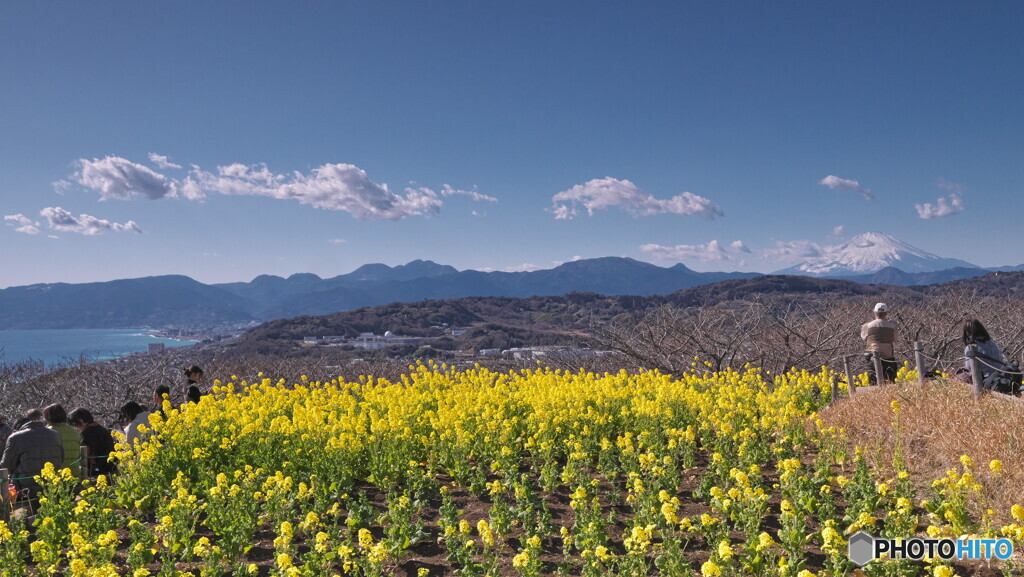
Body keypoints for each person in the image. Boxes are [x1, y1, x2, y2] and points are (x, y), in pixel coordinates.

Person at [0, 409, 63, 503]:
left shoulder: (16, 437)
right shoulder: (55, 434)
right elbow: (61, 459)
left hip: (25, 491)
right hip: (52, 486)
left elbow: (6, 466)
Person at [959, 319, 1014, 391]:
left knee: (961, 376)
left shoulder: (970, 348)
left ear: (967, 333)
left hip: (986, 382)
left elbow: (968, 368)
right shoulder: (993, 343)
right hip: (1001, 378)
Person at [68, 408, 116, 477]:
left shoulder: (86, 433)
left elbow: (84, 454)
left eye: (75, 425)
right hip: (111, 469)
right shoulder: (103, 430)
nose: (76, 428)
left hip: (96, 472)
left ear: (81, 421)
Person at [861, 302, 898, 384]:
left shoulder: (867, 326)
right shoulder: (892, 326)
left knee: (873, 380)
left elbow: (864, 338)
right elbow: (895, 339)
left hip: (872, 356)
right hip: (888, 357)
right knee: (890, 380)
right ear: (886, 313)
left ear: (875, 312)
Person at [43, 404, 80, 479]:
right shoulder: (74, 431)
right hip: (74, 472)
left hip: (55, 474)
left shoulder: (46, 432)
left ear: (48, 417)